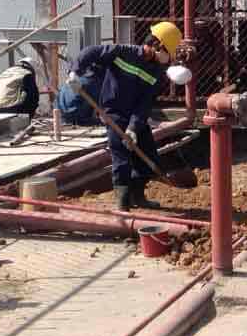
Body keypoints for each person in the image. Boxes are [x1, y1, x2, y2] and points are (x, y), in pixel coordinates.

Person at [67, 21, 181, 211]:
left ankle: (138, 196)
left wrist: (134, 128)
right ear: (157, 45)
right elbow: (91, 52)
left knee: (148, 155)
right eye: (168, 53)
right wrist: (74, 72)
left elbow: (145, 104)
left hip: (135, 116)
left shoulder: (156, 73)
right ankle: (123, 202)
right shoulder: (124, 52)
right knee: (121, 157)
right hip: (113, 113)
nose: (169, 59)